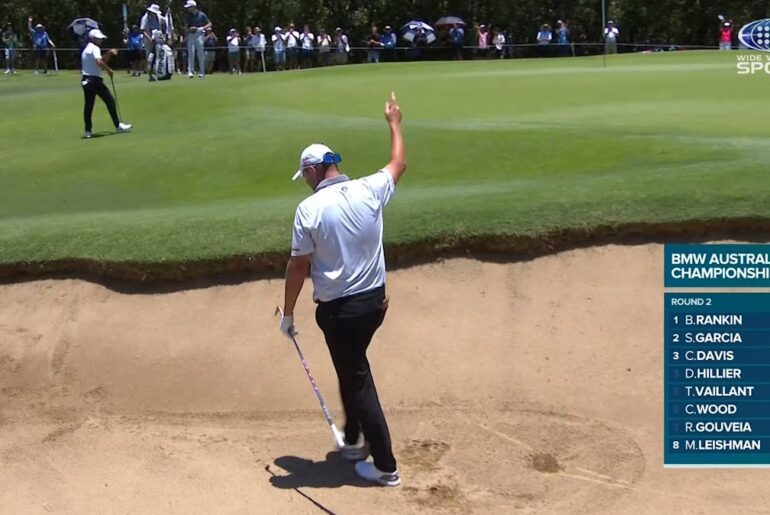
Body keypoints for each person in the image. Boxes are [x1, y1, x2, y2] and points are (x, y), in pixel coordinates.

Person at [280, 92, 406, 487]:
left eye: (306, 176)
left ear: (315, 171)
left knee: (356, 377)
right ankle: (352, 438)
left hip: (340, 313)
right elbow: (399, 163)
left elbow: (298, 265)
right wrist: (394, 123)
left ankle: (385, 466)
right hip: (376, 304)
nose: (306, 184)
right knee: (351, 367)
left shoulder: (310, 210)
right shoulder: (369, 188)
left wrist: (286, 314)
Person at [80, 29, 132, 139]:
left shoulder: (86, 49)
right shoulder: (95, 48)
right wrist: (109, 70)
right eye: (99, 38)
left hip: (85, 80)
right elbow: (99, 63)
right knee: (110, 101)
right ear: (93, 39)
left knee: (89, 106)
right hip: (94, 80)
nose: (101, 40)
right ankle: (118, 126)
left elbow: (100, 61)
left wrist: (109, 53)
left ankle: (88, 131)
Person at [183, 0, 211, 78]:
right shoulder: (188, 16)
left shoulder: (202, 15)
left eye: (189, 7)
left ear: (193, 7)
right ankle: (190, 71)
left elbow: (209, 24)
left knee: (200, 54)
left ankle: (202, 72)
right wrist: (189, 29)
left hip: (199, 35)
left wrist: (201, 28)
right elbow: (185, 27)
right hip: (191, 35)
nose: (188, 9)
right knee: (191, 53)